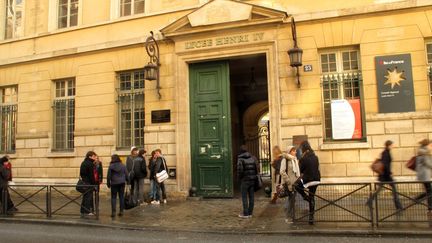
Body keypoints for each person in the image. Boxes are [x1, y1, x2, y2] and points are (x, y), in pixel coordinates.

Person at [366, 140, 402, 210]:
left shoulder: (386, 152)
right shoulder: (385, 153)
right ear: (388, 145)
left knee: (380, 190)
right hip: (386, 176)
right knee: (394, 189)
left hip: (385, 176)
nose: (392, 146)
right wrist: (389, 173)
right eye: (392, 145)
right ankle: (398, 206)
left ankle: (369, 201)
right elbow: (385, 165)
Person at [294, 140, 321, 225]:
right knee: (312, 197)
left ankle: (306, 197)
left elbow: (300, 171)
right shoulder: (315, 157)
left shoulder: (303, 158)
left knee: (296, 186)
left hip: (308, 179)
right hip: (316, 179)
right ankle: (311, 218)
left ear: (303, 149)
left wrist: (300, 163)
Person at [237, 145, 258, 219]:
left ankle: (245, 213)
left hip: (245, 180)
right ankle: (250, 212)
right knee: (251, 196)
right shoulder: (252, 157)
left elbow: (240, 171)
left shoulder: (240, 159)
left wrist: (239, 178)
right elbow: (256, 168)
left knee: (244, 197)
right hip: (252, 179)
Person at [280, 146, 300, 223]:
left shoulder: (294, 159)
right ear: (290, 152)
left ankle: (291, 216)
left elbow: (296, 172)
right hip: (289, 184)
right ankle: (288, 217)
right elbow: (282, 172)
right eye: (294, 151)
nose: (295, 152)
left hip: (294, 183)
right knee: (291, 200)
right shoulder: (285, 160)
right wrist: (288, 182)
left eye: (295, 151)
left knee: (292, 200)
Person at [415, 139, 432, 214]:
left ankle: (416, 199)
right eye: (431, 144)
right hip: (424, 175)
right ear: (427, 144)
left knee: (429, 191)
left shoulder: (422, 151)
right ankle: (430, 208)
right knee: (430, 192)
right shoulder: (424, 152)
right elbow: (428, 163)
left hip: (424, 175)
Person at [80, 151, 98, 217]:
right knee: (88, 197)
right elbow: (92, 176)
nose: (95, 157)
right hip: (88, 183)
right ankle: (87, 211)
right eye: (94, 156)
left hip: (84, 182)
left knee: (85, 197)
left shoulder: (83, 162)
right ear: (89, 156)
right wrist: (94, 184)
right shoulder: (90, 164)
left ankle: (82, 210)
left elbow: (81, 173)